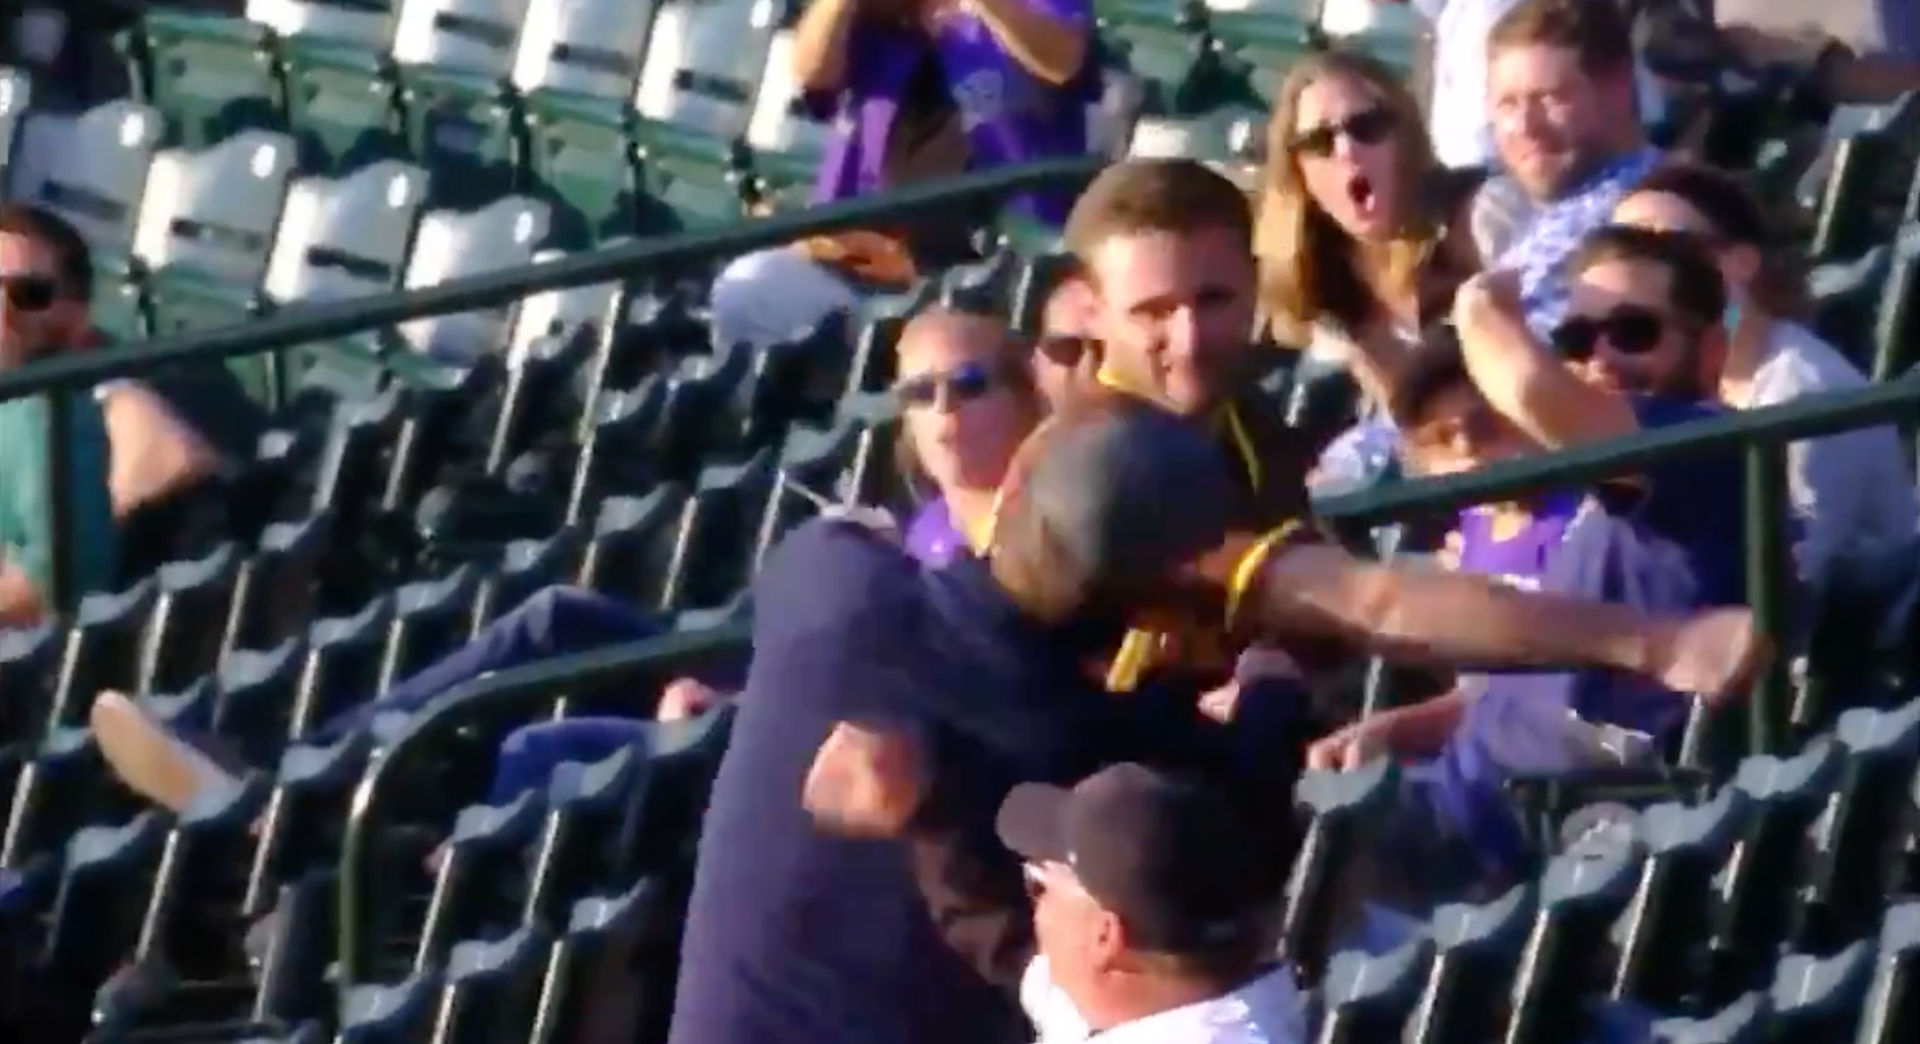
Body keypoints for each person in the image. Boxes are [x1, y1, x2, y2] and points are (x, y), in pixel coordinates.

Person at [671, 395, 1764, 1044]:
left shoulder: (828, 583)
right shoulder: (1108, 757)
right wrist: (1276, 679)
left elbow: (858, 542)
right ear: (1161, 602)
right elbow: (1268, 760)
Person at [86, 307, 1045, 813]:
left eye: (967, 385)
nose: (945, 411)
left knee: (537, 748)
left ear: (1023, 395)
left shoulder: (1023, 531)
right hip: (769, 682)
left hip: (801, 737)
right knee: (553, 616)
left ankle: (344, 830)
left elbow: (919, 704)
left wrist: (736, 711)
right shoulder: (924, 514)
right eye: (920, 393)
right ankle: (304, 771)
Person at [1306, 226, 1771, 908]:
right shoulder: (1604, 487)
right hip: (1455, 795)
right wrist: (1398, 727)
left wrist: (1479, 306)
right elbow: (1524, 692)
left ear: (1711, 347)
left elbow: (1525, 385)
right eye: (1579, 340)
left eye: (1635, 331)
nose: (1604, 358)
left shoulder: (1701, 446)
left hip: (1510, 842)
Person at [809, 750, 1308, 1043]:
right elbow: (1004, 942)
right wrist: (922, 814)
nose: (1034, 909)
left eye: (1040, 886)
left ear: (1106, 936)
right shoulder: (1158, 996)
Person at [707, 0, 1095, 353]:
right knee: (746, 291)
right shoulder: (880, 19)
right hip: (857, 261)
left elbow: (1062, 59)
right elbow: (812, 74)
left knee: (939, 354)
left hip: (981, 277)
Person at [1612, 163, 1917, 586]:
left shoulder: (1804, 396)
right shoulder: (1673, 379)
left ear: (1741, 262)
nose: (1636, 273)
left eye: (1666, 248)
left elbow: (1789, 584)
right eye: (1621, 250)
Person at [1259, 50, 1487, 405]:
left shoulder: (1478, 217)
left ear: (1406, 137)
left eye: (1368, 126)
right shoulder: (1308, 296)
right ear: (1298, 170)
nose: (1347, 150)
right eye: (1320, 142)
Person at [1482, 0, 1663, 338]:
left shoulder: (1652, 217)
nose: (1525, 125)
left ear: (1619, 88)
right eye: (1508, 103)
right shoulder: (1530, 221)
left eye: (1551, 98)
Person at [0, 203, 117, 626]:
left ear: (76, 315)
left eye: (29, 294)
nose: (2, 311)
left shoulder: (53, 418)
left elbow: (52, 588)